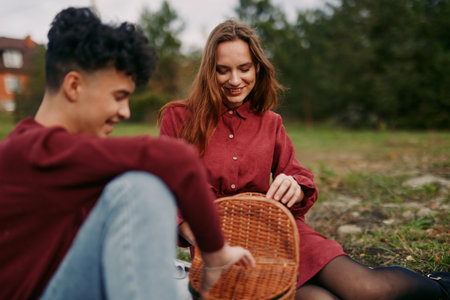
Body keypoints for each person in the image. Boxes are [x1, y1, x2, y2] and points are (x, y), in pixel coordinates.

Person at [158, 19, 449, 300]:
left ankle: (440, 285)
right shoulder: (178, 118)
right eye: (223, 70)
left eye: (244, 68)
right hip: (221, 255)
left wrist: (294, 186)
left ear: (257, 68)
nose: (235, 80)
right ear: (210, 71)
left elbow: (297, 175)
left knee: (367, 289)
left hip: (280, 234)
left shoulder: (270, 122)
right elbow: (165, 191)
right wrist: (204, 239)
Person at [0, 8, 256, 300]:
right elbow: (178, 160)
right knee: (140, 187)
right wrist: (216, 252)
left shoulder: (46, 151)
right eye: (119, 97)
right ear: (74, 86)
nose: (125, 112)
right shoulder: (34, 151)